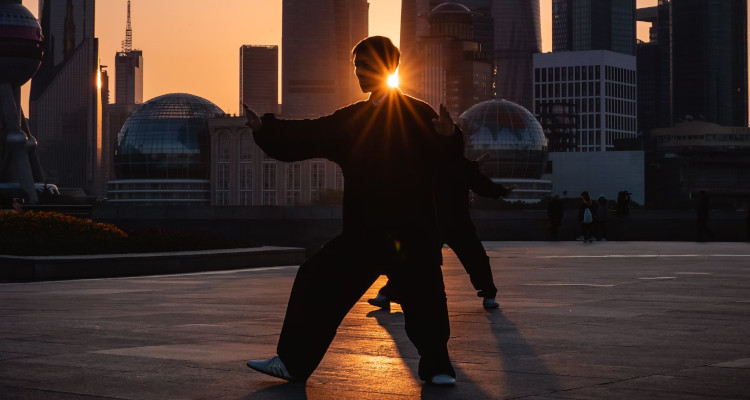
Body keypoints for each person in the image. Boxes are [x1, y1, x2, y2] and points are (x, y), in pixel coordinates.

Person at [243, 36, 461, 386]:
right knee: (315, 280)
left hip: (412, 232)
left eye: (365, 65)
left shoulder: (421, 116)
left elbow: (449, 160)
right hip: (365, 234)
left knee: (427, 299)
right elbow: (308, 134)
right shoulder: (352, 119)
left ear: (387, 68)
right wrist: (264, 128)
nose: (358, 72)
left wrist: (450, 137)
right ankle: (292, 363)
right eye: (356, 66)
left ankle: (437, 367)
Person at [367, 155, 514, 310]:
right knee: (471, 258)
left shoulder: (433, 160)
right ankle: (489, 295)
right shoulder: (455, 163)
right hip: (446, 222)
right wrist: (500, 190)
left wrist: (497, 188)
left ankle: (386, 295)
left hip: (445, 222)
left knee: (421, 260)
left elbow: (477, 181)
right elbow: (478, 182)